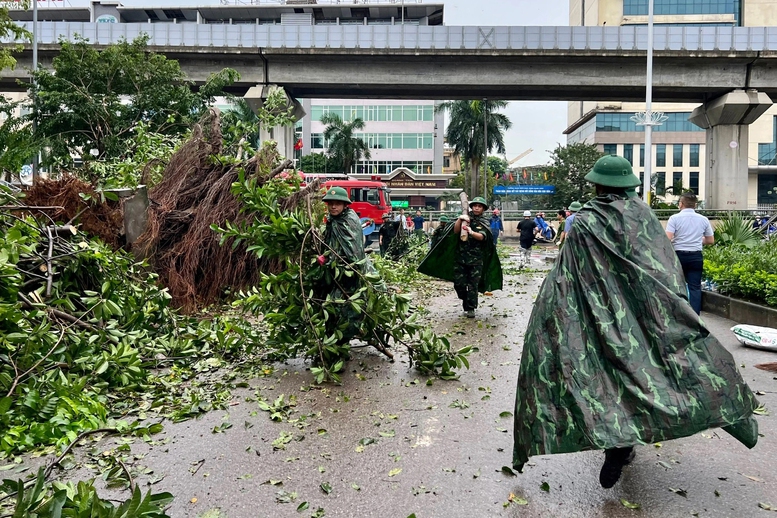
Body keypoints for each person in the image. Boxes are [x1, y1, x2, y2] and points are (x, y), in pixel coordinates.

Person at [513, 154, 759, 490]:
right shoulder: (643, 215)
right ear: (629, 185)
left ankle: (619, 442)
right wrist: (674, 307)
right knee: (653, 368)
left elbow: (566, 274)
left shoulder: (585, 220)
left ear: (597, 184)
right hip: (644, 313)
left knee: (607, 374)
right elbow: (663, 267)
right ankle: (703, 413)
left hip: (598, 313)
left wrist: (554, 316)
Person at [417, 197, 503, 318]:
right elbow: (456, 231)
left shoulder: (484, 221)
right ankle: (465, 299)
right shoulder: (466, 217)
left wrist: (471, 232)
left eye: (479, 206)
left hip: (476, 260)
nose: (477, 208)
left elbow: (483, 237)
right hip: (460, 258)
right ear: (471, 207)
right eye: (475, 205)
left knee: (473, 285)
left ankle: (471, 308)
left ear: (483, 209)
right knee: (459, 284)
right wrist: (460, 219)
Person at [665, 193, 714, 315]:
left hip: (678, 256)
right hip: (696, 257)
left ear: (681, 204)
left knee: (676, 285)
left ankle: (678, 314)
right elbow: (710, 240)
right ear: (695, 205)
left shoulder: (674, 218)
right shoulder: (703, 220)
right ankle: (695, 317)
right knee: (695, 287)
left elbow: (667, 238)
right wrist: (698, 240)